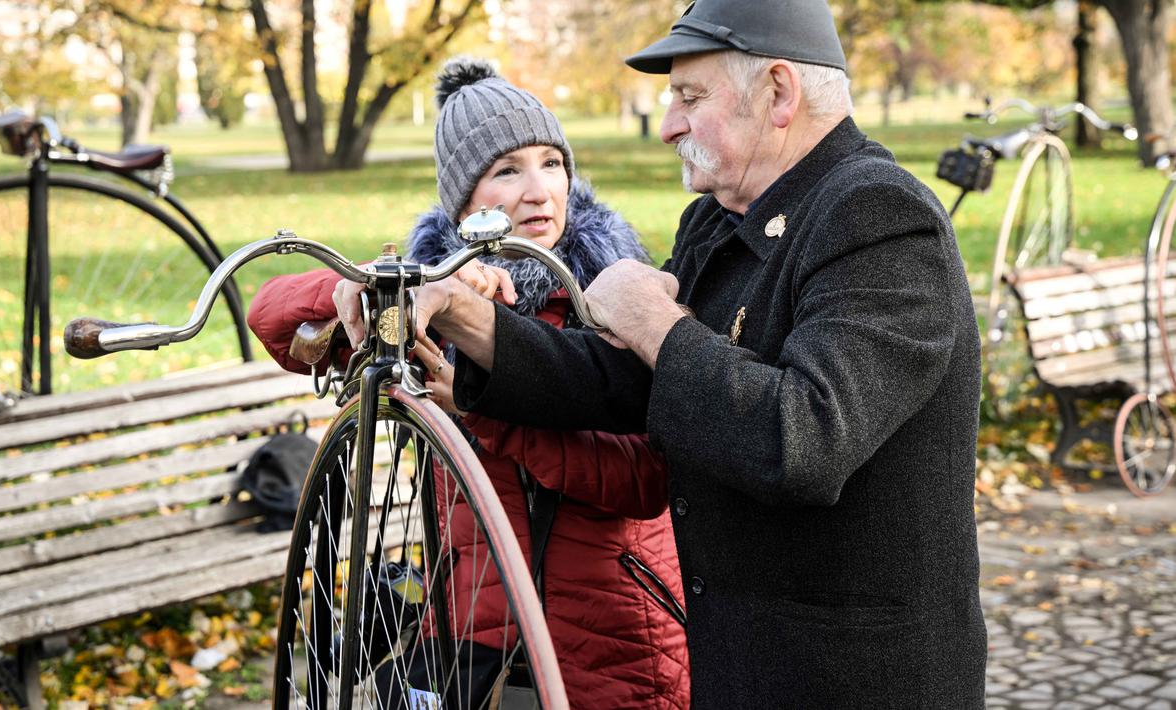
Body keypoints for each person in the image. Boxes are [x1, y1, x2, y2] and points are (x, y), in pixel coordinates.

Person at [358, 0, 988, 706]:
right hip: (733, 663)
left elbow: (803, 439)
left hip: (849, 678)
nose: (667, 127)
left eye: (689, 97)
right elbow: (620, 383)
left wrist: (658, 324)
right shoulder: (719, 224)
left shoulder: (876, 214)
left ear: (778, 93)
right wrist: (471, 320)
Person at [247, 58, 690, 709]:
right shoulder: (429, 305)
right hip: (472, 641)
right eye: (506, 171)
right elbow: (273, 319)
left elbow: (644, 480)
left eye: (550, 163)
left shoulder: (609, 293)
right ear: (462, 202)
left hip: (611, 640)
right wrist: (391, 282)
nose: (538, 191)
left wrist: (491, 410)